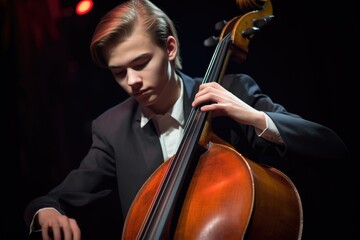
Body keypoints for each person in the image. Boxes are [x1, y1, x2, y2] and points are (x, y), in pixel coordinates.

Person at [24, 0, 349, 239]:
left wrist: (253, 117)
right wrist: (47, 210)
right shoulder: (112, 128)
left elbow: (330, 147)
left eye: (140, 63)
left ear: (169, 47)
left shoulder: (232, 90)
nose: (132, 81)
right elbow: (56, 199)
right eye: (119, 73)